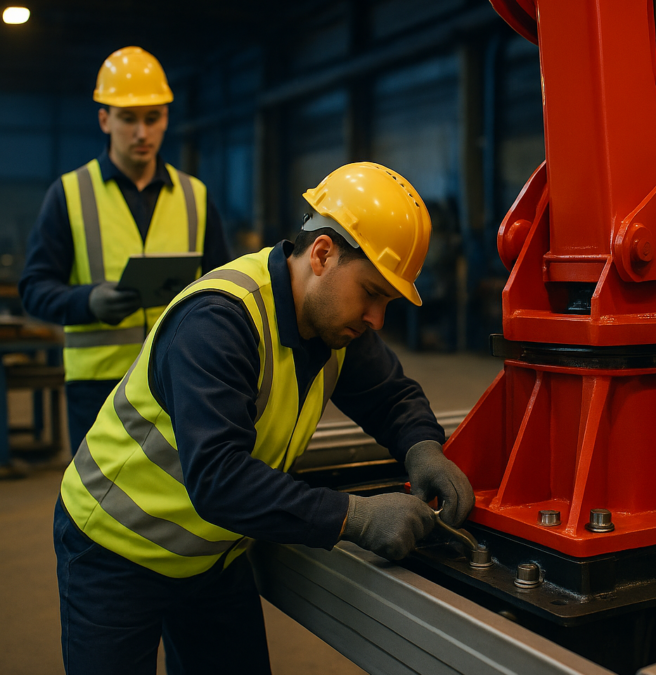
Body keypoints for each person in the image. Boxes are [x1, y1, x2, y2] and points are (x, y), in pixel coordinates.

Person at [53, 162, 475, 674]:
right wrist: (354, 517)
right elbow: (220, 480)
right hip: (114, 551)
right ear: (322, 254)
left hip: (212, 556)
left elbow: (389, 395)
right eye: (371, 293)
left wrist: (423, 448)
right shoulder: (219, 322)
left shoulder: (334, 324)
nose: (377, 320)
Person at [18, 46, 231, 455]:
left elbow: (225, 287)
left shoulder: (196, 197)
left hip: (180, 379)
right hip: (98, 388)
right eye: (128, 119)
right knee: (97, 507)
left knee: (180, 502)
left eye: (153, 119)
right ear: (104, 119)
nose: (141, 133)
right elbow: (33, 288)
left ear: (166, 118)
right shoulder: (68, 195)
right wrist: (88, 300)